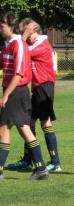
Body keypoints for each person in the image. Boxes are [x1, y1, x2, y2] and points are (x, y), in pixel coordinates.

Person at [7, 19, 61, 172]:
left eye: (28, 34)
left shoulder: (41, 44)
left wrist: (22, 38)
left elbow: (22, 52)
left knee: (45, 123)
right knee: (29, 123)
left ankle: (55, 162)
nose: (27, 38)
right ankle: (28, 159)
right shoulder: (36, 44)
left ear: (33, 31)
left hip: (44, 86)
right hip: (38, 87)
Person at [0, 11, 49, 181]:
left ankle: (40, 168)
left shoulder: (17, 44)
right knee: (21, 129)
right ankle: (41, 168)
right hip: (13, 91)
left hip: (16, 91)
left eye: (2, 26)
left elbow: (19, 73)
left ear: (11, 26)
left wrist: (6, 94)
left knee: (6, 130)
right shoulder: (8, 44)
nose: (0, 29)